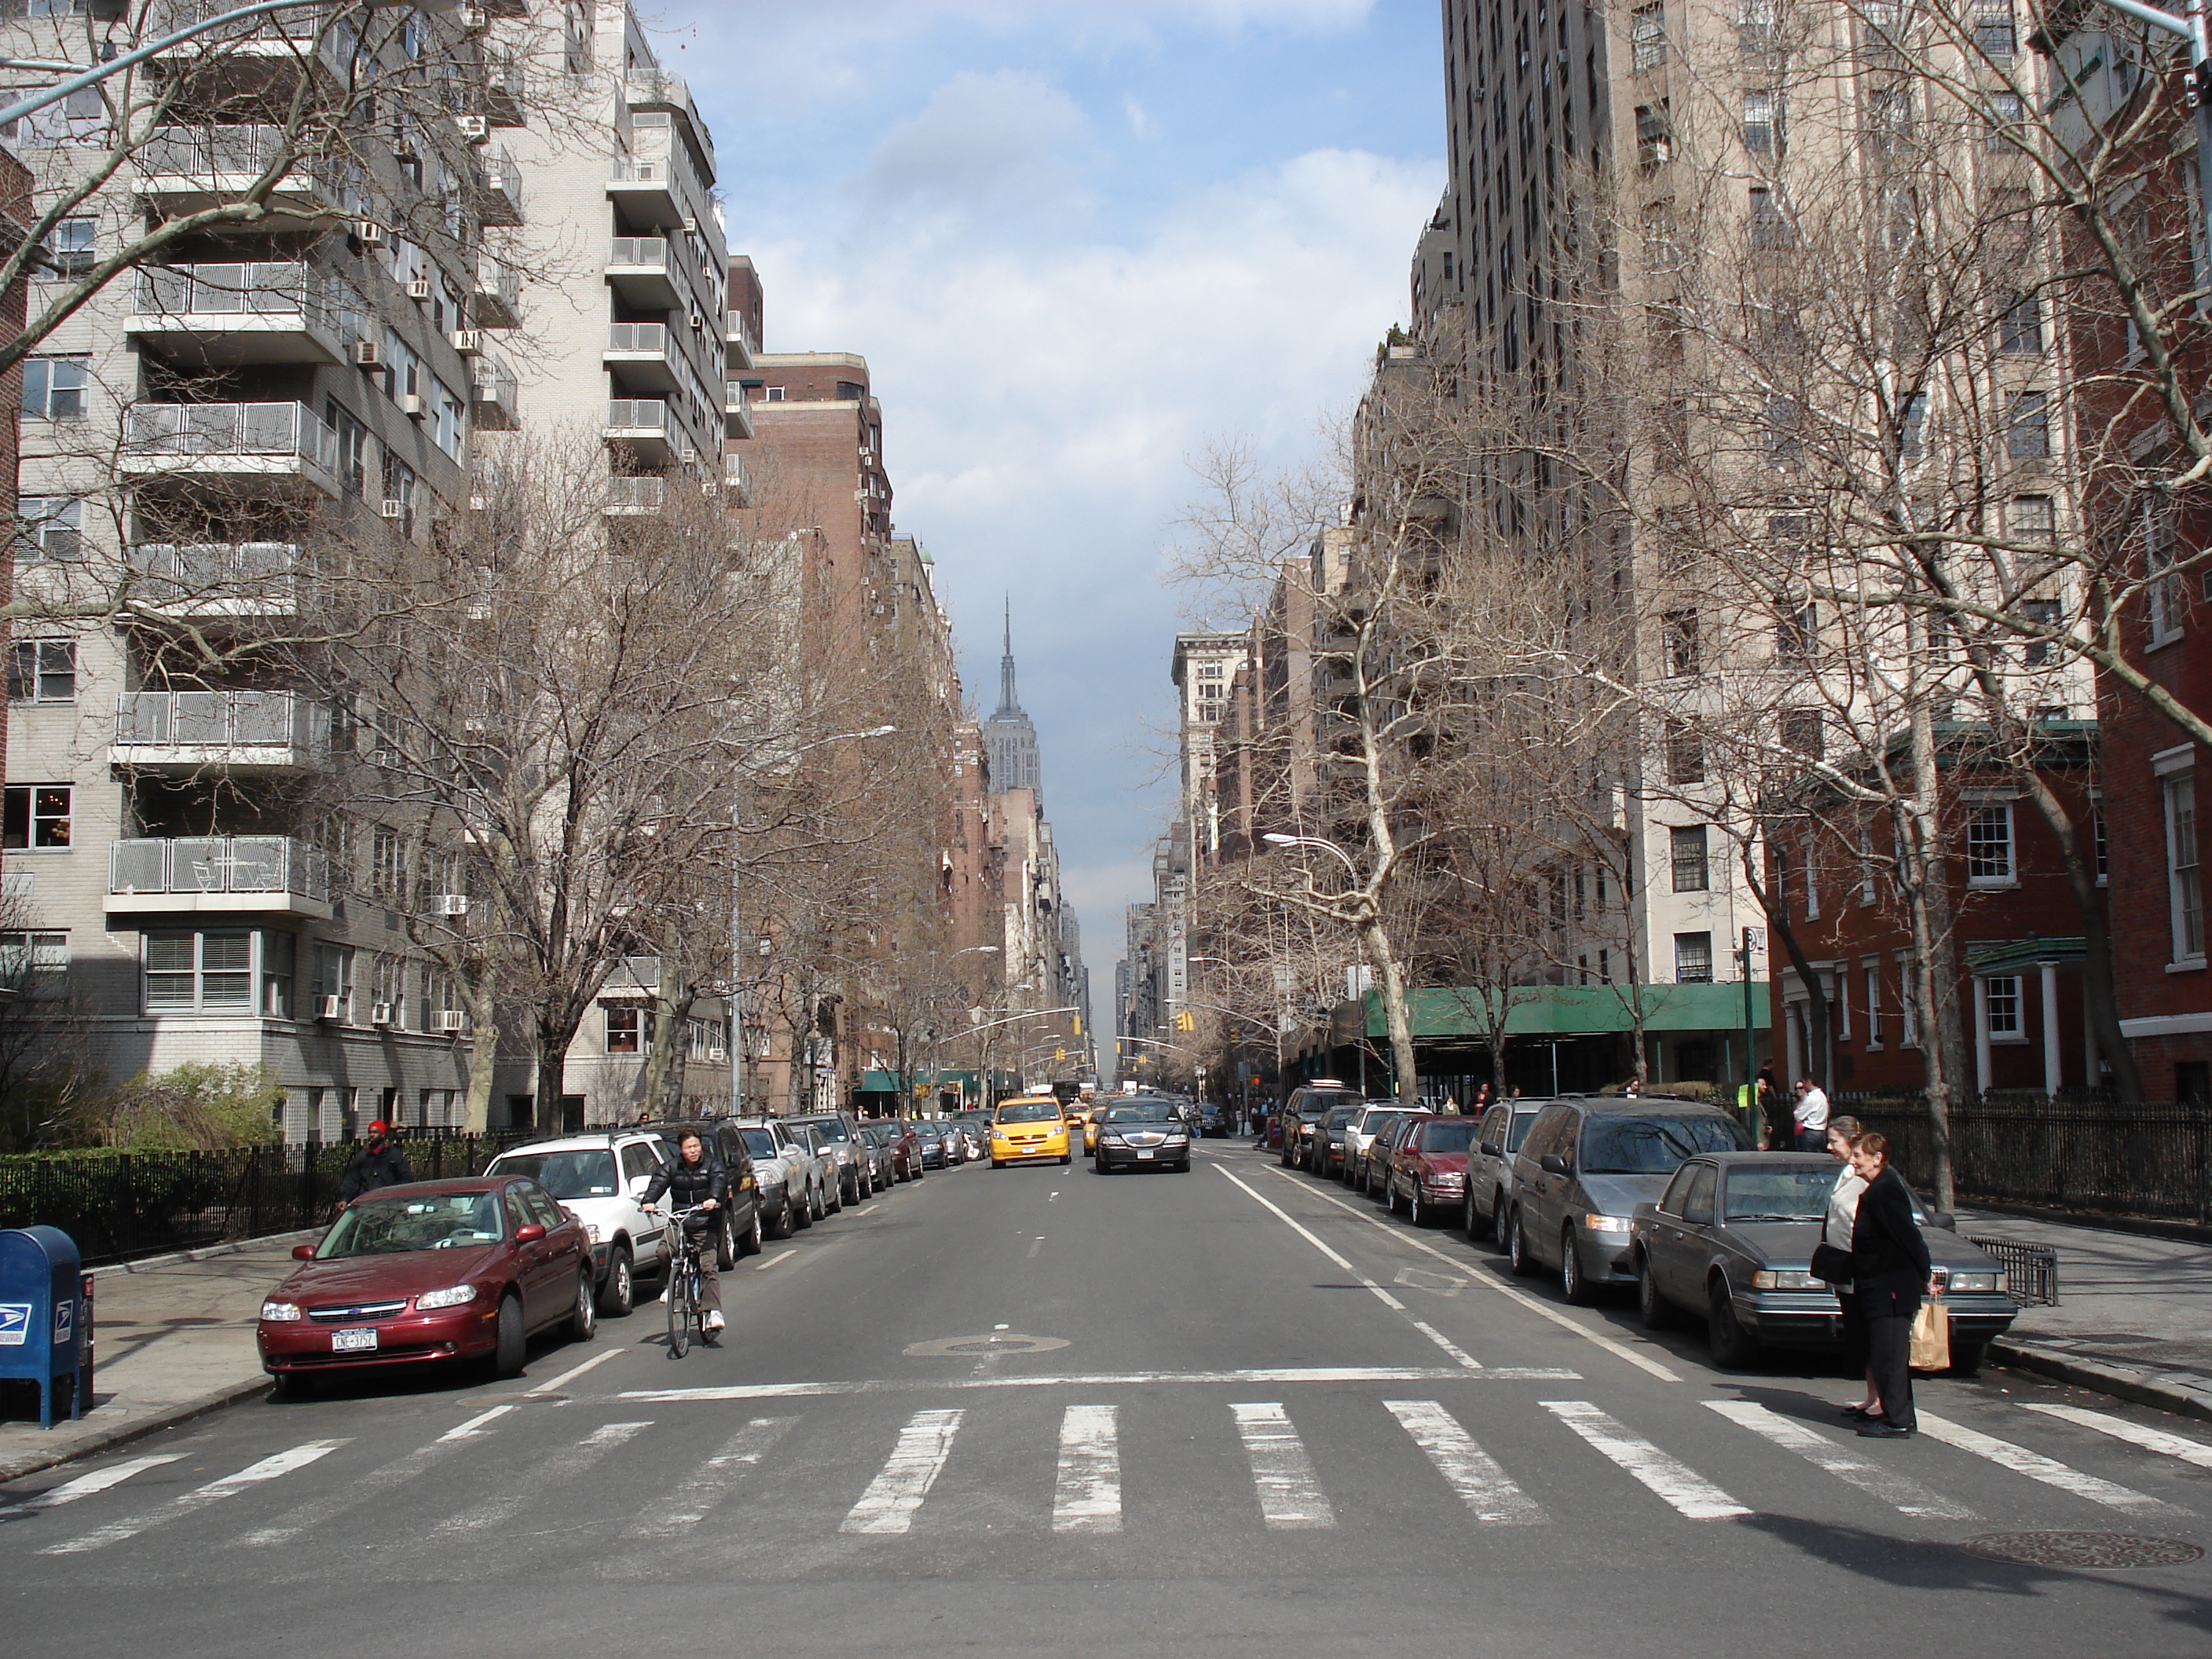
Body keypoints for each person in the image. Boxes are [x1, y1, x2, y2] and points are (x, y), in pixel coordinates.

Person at [1848, 1131, 1934, 1438]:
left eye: (1858, 1156)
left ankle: (1897, 1420)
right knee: (1886, 1353)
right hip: (1880, 1284)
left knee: (1890, 1356)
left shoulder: (1885, 1191)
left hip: (1891, 1287)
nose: (1852, 1161)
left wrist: (1926, 1272)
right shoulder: (1878, 1189)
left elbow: (1909, 1235)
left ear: (1877, 1158)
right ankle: (1897, 1414)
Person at [642, 1130, 729, 1339]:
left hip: (706, 1223)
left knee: (708, 1265)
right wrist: (648, 1201)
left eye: (696, 1146)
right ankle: (673, 1285)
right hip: (680, 1222)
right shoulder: (672, 1167)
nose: (693, 1151)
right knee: (664, 1251)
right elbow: (658, 1183)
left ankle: (713, 1310)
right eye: (689, 1147)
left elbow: (720, 1181)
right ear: (681, 1150)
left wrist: (713, 1198)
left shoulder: (712, 1165)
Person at [1821, 1116, 1881, 1422]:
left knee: (1874, 1335)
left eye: (1834, 1141)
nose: (1829, 1147)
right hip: (1846, 1267)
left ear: (1853, 1140)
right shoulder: (1847, 1173)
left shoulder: (1867, 1177)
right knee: (1860, 1336)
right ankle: (1872, 1395)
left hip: (1864, 1269)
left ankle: (1883, 1399)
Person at [338, 1120, 414, 1203]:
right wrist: (345, 1199)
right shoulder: (362, 1156)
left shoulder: (394, 1155)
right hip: (367, 1201)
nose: (372, 1135)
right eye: (370, 1132)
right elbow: (351, 1180)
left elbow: (405, 1177)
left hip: (389, 1200)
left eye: (375, 1132)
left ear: (383, 1134)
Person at [1793, 1076, 1832, 1152]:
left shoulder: (1811, 1098)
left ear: (1809, 1082)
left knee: (1808, 1158)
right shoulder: (1822, 1096)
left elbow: (1798, 1116)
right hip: (1822, 1131)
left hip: (1811, 1132)